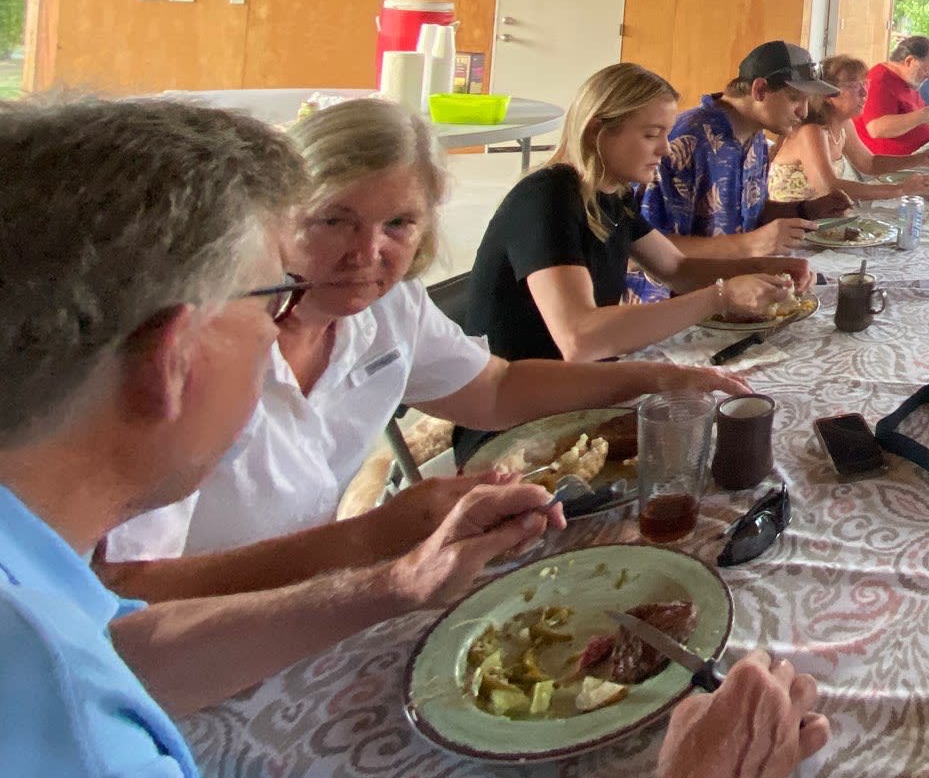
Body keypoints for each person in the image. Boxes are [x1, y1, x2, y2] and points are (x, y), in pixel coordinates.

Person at [0, 95, 572, 773]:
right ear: (175, 355)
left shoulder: (36, 566)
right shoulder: (82, 732)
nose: (285, 319)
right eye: (272, 296)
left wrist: (397, 584)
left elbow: (123, 641)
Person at [100, 98, 751, 592]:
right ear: (274, 217)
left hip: (325, 599)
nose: (368, 252)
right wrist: (376, 540)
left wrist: (655, 381)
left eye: (399, 224)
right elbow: (124, 595)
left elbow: (493, 390)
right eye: (334, 219)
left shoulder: (390, 306)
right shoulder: (194, 350)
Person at [467, 63, 802, 370]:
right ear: (596, 131)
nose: (666, 149)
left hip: (578, 381)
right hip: (525, 403)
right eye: (651, 134)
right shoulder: (547, 197)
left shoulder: (613, 194)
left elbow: (677, 268)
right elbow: (580, 338)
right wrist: (720, 297)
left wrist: (769, 269)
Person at [637, 42, 851, 301]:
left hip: (737, 292)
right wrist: (750, 244)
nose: (803, 112)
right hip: (673, 307)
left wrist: (805, 210)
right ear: (760, 89)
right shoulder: (686, 139)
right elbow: (642, 248)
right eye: (795, 98)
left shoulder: (757, 137)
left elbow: (750, 213)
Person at [770, 55, 929, 205]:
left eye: (865, 84)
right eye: (854, 86)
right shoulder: (811, 131)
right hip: (792, 226)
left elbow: (869, 163)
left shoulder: (844, 124)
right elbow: (828, 187)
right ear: (828, 94)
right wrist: (901, 189)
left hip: (820, 219)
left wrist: (920, 159)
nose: (864, 93)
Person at [857, 35, 929, 157]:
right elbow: (876, 128)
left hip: (923, 153)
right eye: (927, 69)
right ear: (909, 61)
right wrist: (922, 116)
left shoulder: (908, 80)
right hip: (893, 165)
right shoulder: (880, 79)